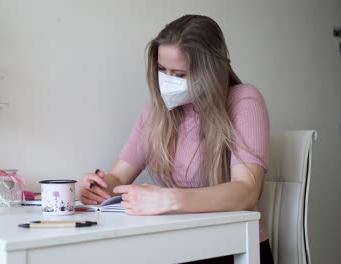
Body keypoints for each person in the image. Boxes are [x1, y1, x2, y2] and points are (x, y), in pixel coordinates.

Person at [79, 15, 273, 263]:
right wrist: (98, 187)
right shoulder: (155, 111)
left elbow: (246, 192)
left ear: (210, 72)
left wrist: (168, 198)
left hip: (232, 248)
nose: (168, 81)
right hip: (177, 246)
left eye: (179, 74)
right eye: (162, 70)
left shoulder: (243, 100)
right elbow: (118, 178)